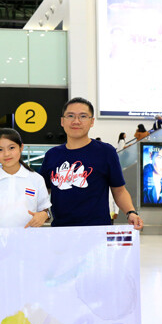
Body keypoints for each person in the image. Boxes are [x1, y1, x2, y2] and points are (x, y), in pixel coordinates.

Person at [39, 97, 143, 229]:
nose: (76, 121)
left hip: (97, 232)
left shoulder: (106, 152)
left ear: (92, 121)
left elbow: (119, 190)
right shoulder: (52, 155)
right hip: (61, 231)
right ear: (62, 121)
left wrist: (131, 212)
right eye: (70, 116)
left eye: (83, 116)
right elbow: (43, 192)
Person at [0, 128, 51, 234]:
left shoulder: (36, 179)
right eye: (0, 150)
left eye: (11, 148)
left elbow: (45, 212)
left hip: (27, 239)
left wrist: (44, 215)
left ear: (21, 147)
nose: (6, 154)